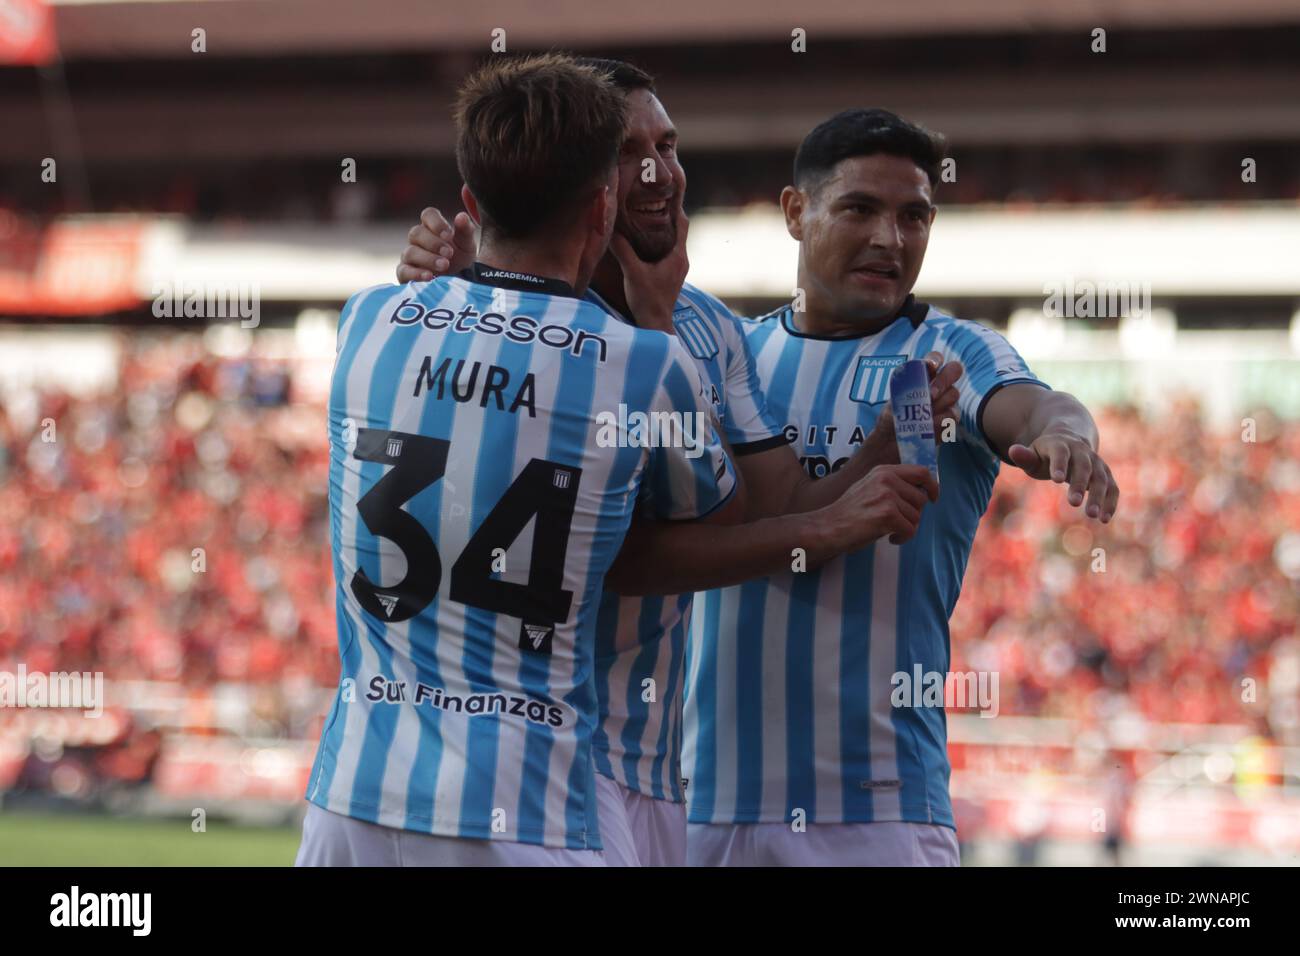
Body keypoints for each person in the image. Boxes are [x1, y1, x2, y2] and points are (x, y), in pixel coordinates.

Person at [397, 61, 952, 865]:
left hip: (656, 772)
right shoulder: (508, 315)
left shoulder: (710, 328)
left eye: (669, 144)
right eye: (631, 152)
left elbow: (773, 506)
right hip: (544, 753)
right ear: (584, 182)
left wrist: (870, 460)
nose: (662, 174)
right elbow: (625, 550)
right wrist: (831, 524)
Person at [297, 53, 738, 866]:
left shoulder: (366, 320)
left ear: (470, 201)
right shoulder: (648, 363)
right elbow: (718, 518)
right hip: (526, 804)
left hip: (354, 792)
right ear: (602, 206)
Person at [683, 108, 1119, 866]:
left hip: (877, 816)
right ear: (796, 212)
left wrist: (1066, 437)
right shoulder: (730, 358)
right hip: (705, 808)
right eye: (860, 208)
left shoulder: (949, 352)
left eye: (914, 216)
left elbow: (1040, 403)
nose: (892, 238)